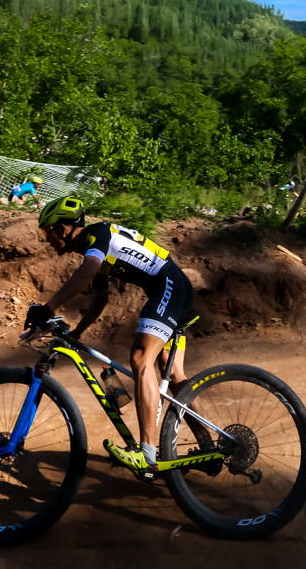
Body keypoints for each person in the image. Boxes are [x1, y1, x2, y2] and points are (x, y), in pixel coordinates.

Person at [23, 196, 197, 481]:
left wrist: (48, 307)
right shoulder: (97, 249)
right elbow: (100, 299)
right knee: (175, 377)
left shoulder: (97, 235)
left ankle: (147, 454)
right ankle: (211, 445)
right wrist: (77, 333)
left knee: (141, 358)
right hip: (176, 287)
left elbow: (87, 272)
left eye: (47, 232)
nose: (47, 239)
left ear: (63, 229)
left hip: (169, 285)